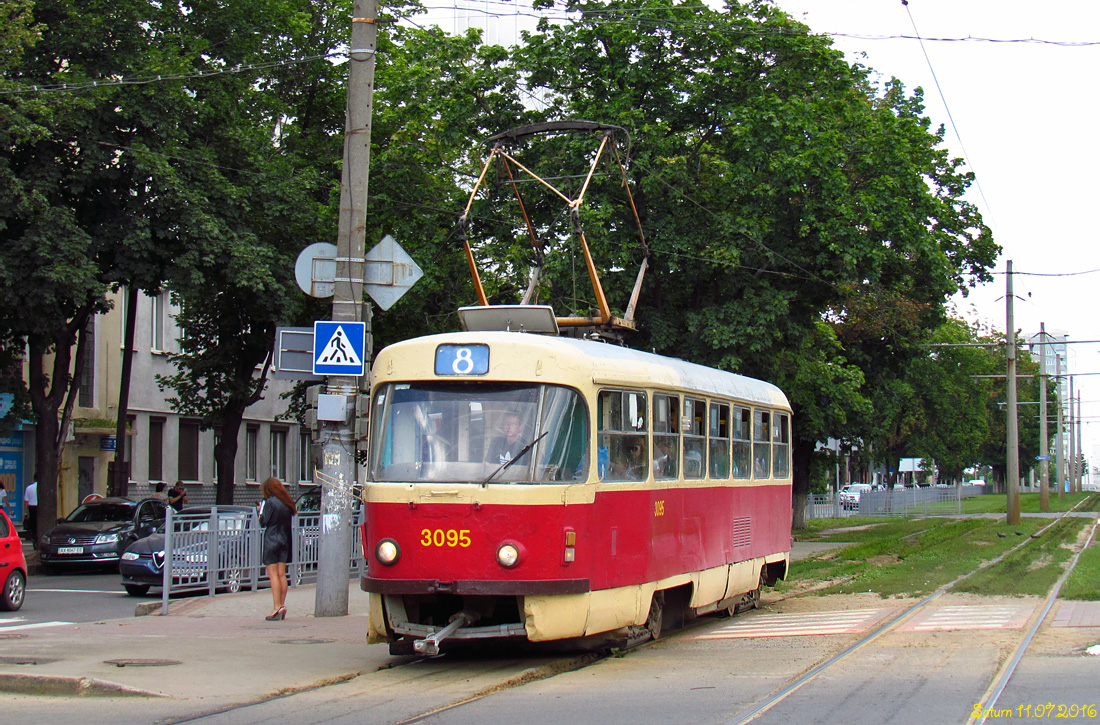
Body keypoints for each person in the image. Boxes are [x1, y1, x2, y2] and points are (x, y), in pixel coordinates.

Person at [259, 477, 296, 621]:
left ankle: (276, 607)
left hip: (272, 540)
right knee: (282, 574)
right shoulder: (287, 503)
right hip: (285, 539)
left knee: (273, 574)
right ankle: (282, 605)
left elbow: (264, 521)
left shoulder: (270, 502)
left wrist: (259, 512)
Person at [23, 475, 38, 546]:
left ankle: (34, 538)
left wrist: (25, 512)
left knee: (33, 524)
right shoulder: (43, 488)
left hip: (31, 507)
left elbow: (26, 501)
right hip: (39, 507)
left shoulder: (29, 488)